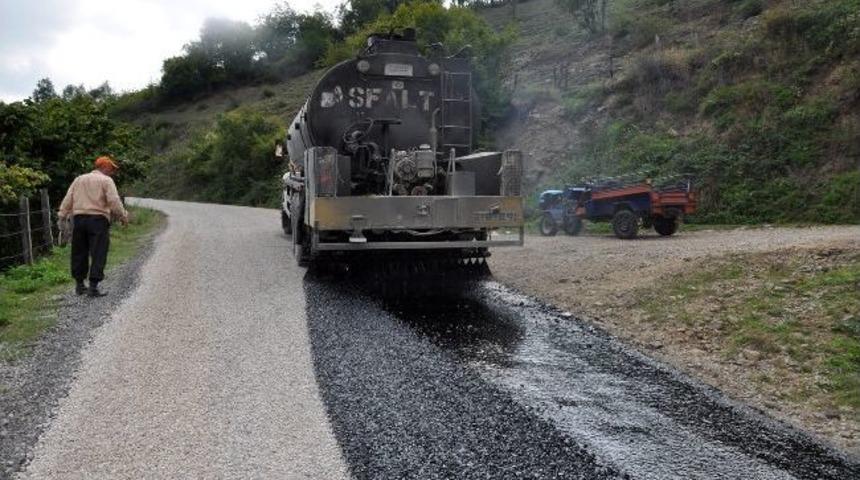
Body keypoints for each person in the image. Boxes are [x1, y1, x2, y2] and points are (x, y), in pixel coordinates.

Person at [58, 156, 129, 297]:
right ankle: (93, 287)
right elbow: (114, 201)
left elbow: (68, 197)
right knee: (98, 252)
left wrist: (62, 214)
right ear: (105, 167)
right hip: (98, 220)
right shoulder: (106, 181)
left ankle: (79, 286)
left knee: (79, 252)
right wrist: (123, 216)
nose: (113, 172)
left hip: (78, 219)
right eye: (112, 168)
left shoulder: (79, 179)